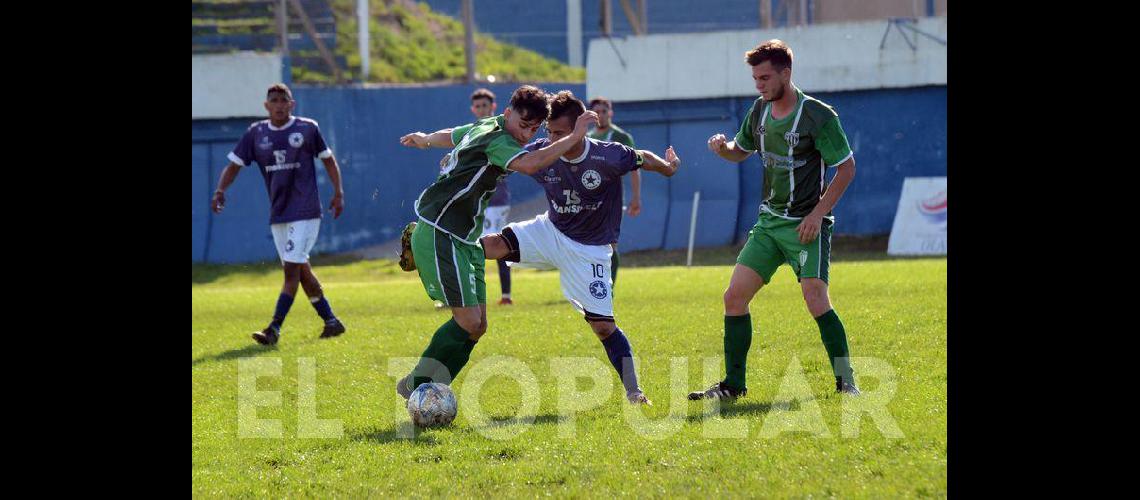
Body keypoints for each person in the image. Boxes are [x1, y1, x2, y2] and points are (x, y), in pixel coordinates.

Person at [394, 85, 600, 398]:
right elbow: (531, 164)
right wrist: (575, 137)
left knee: (477, 327)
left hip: (466, 238)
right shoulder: (499, 139)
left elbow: (451, 134)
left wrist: (425, 139)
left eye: (533, 129)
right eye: (522, 124)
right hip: (441, 232)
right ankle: (415, 384)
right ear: (507, 113)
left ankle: (435, 391)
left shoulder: (485, 125)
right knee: (467, 321)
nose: (526, 134)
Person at [481, 91, 680, 405]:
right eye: (549, 132)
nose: (552, 139)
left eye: (559, 133)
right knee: (492, 245)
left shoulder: (608, 155)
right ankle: (439, 253)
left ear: (580, 128)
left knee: (603, 326)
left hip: (591, 250)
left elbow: (642, 157)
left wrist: (668, 168)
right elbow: (501, 161)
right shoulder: (542, 152)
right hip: (552, 229)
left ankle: (634, 391)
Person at [688, 39, 861, 400]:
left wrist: (817, 215)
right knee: (734, 297)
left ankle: (847, 382)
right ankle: (733, 386)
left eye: (766, 77)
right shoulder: (759, 111)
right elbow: (741, 152)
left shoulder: (818, 115)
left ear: (786, 73)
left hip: (804, 225)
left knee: (815, 299)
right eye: (755, 78)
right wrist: (723, 149)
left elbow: (846, 168)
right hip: (769, 223)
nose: (760, 84)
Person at [210, 83, 347, 346]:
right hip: (279, 213)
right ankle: (331, 321)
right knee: (300, 268)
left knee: (291, 272)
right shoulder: (256, 133)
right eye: (274, 100)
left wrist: (338, 193)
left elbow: (329, 160)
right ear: (266, 106)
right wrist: (220, 190)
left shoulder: (307, 128)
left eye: (284, 100)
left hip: (306, 211)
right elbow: (233, 166)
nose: (279, 105)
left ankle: (273, 328)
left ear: (292, 104)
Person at [588, 97, 641, 288]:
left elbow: (635, 167)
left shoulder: (621, 137)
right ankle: (593, 286)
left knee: (610, 244)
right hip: (588, 198)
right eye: (597, 112)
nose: (601, 115)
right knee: (588, 246)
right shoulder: (587, 136)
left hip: (611, 198)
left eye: (604, 111)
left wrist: (636, 197)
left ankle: (608, 289)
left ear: (610, 113)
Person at [470, 88, 516, 306]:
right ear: (473, 109)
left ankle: (506, 295)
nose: (481, 109)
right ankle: (464, 295)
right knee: (467, 245)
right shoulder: (471, 131)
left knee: (497, 245)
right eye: (478, 106)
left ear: (493, 107)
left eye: (484, 106)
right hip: (474, 201)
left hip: (496, 201)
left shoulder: (501, 132)